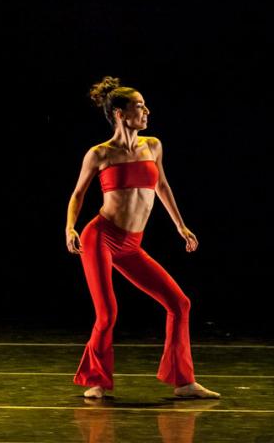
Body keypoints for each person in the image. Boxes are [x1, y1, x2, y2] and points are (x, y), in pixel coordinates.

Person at [65, 76, 218, 399]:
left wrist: (180, 225)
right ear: (120, 113)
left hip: (132, 244)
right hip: (100, 237)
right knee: (107, 314)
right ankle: (96, 380)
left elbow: (162, 185)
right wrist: (70, 227)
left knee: (179, 304)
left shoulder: (153, 146)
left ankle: (183, 381)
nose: (147, 111)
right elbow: (78, 194)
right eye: (139, 106)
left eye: (145, 105)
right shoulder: (100, 154)